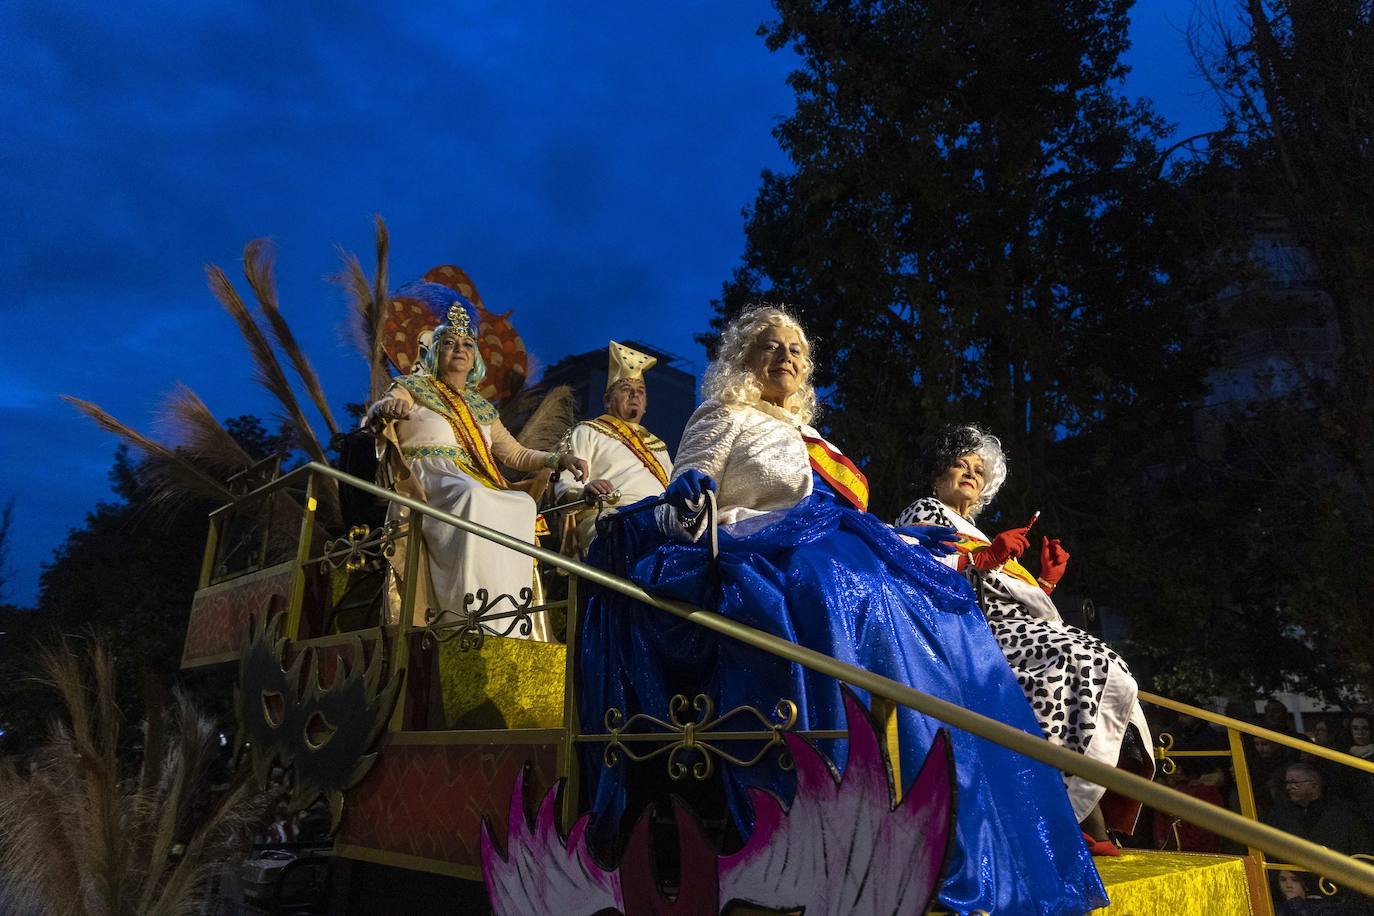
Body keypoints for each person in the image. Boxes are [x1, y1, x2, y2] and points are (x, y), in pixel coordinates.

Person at [580, 305, 1105, 914]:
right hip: (765, 549)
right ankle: (868, 811)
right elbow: (681, 506)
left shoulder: (818, 439)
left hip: (834, 550)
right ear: (744, 360)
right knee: (838, 586)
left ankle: (968, 826)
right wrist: (688, 497)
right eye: (770, 346)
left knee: (942, 606)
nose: (786, 356)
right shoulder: (723, 414)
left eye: (797, 349)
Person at [895, 425, 1154, 855]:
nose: (970, 474)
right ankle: (1069, 819)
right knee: (1081, 660)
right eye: (960, 463)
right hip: (968, 637)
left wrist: (1046, 583)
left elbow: (1007, 595)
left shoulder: (973, 528)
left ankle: (1081, 817)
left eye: (979, 470)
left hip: (1010, 633)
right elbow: (918, 574)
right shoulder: (924, 512)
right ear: (936, 474)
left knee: (1096, 665)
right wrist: (985, 558)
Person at [370, 295, 590, 634]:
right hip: (430, 479)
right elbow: (385, 406)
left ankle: (507, 621)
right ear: (434, 352)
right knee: (472, 497)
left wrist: (558, 459)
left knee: (519, 504)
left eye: (467, 344)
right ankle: (465, 614)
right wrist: (388, 408)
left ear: (475, 358)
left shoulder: (482, 408)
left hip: (474, 478)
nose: (459, 348)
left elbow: (515, 455)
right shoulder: (411, 387)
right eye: (449, 343)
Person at [552, 341, 672, 558]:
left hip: (663, 521)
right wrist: (586, 492)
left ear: (646, 404)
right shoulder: (587, 431)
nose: (634, 395)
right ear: (607, 400)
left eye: (640, 391)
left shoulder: (660, 447)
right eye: (626, 389)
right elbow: (563, 494)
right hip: (613, 519)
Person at [1266, 762, 1371, 854]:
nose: (1288, 788)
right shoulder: (1281, 815)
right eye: (1287, 783)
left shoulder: (1344, 816)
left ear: (1314, 785)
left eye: (1294, 783)